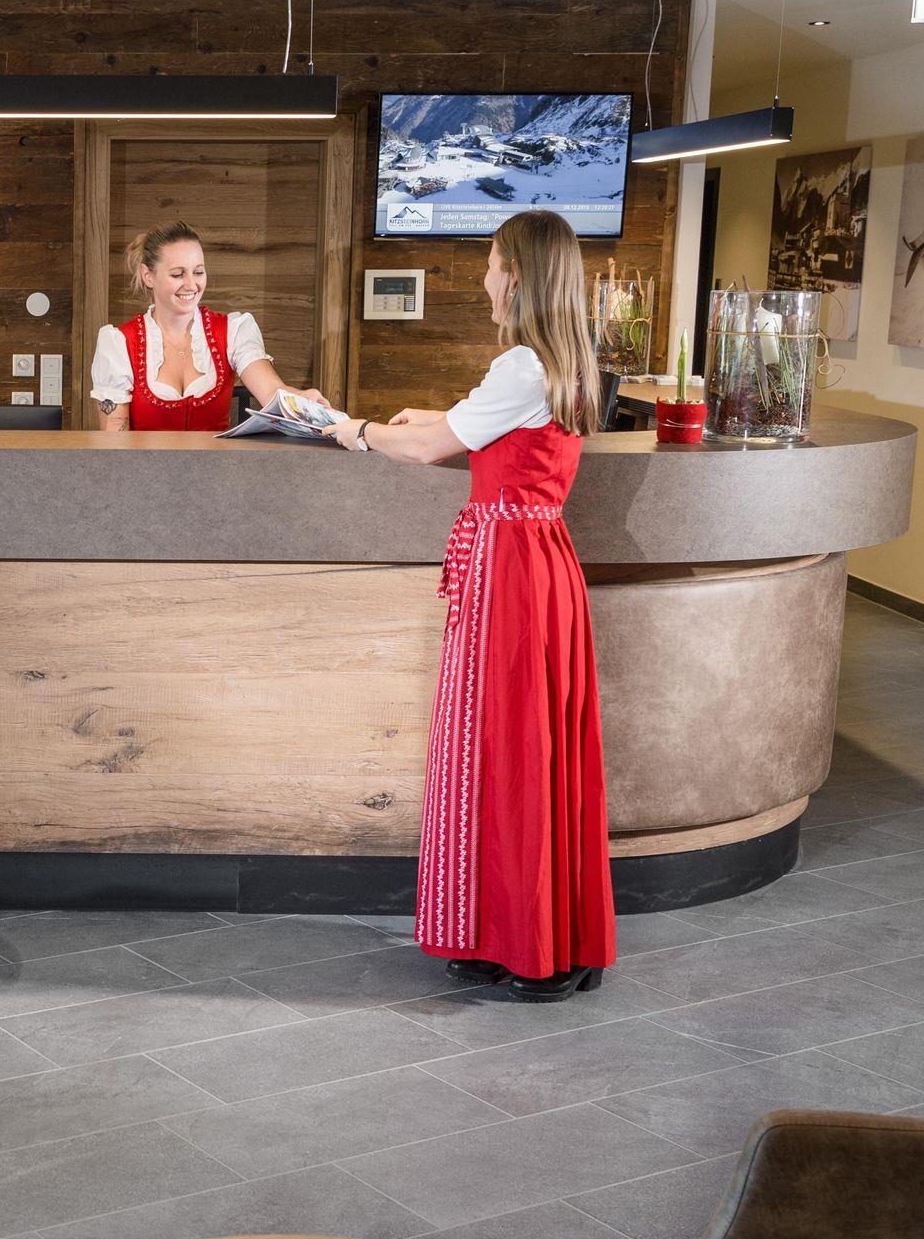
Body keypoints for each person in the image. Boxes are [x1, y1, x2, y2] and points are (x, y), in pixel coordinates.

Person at [321, 209, 615, 1002]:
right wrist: (427, 418)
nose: (484, 277)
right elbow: (477, 431)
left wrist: (353, 429)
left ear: (515, 275)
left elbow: (428, 448)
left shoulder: (520, 364)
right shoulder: (563, 359)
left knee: (506, 751)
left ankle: (531, 949)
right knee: (530, 750)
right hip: (542, 560)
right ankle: (523, 934)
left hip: (508, 572)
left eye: (489, 262)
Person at [90, 221, 328, 431]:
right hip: (142, 468)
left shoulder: (233, 331)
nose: (191, 284)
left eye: (198, 272)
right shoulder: (119, 343)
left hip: (217, 467)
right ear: (148, 276)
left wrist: (301, 398)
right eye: (177, 274)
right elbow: (115, 439)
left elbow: (272, 391)